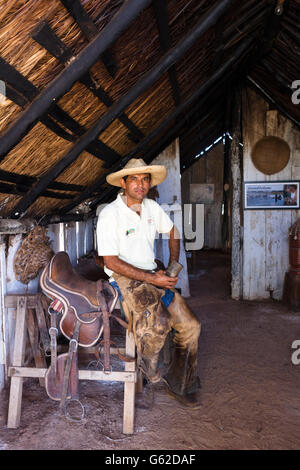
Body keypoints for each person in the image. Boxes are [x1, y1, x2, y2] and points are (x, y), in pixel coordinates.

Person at [96, 158, 201, 408]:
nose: (140, 184)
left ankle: (181, 384)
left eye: (145, 179)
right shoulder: (110, 214)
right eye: (134, 179)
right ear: (123, 183)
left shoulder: (152, 207)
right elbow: (110, 261)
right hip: (125, 278)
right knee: (158, 326)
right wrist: (152, 278)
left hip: (152, 273)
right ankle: (150, 371)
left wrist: (172, 265)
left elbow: (173, 232)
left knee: (191, 327)